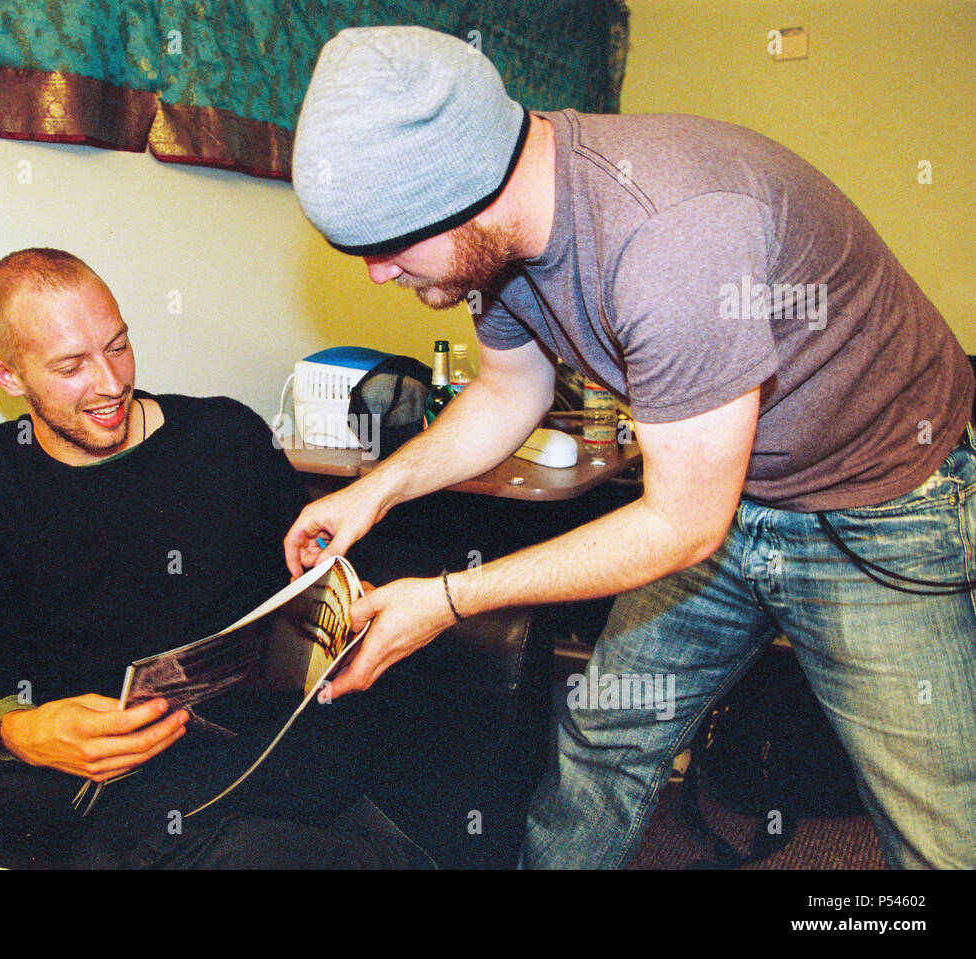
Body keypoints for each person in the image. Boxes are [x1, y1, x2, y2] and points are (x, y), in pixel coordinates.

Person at [285, 25, 976, 869]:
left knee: (939, 815)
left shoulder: (674, 239)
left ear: (458, 193)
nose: (377, 275)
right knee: (603, 736)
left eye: (386, 244)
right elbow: (510, 394)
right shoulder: (499, 239)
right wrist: (376, 491)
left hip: (881, 493)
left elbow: (683, 525)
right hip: (719, 491)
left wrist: (448, 599)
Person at [0, 247, 433, 869]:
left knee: (144, 835)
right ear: (10, 377)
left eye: (118, 346)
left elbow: (306, 585)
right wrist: (23, 731)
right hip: (87, 756)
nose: (109, 383)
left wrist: (336, 597)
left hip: (235, 733)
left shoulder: (225, 437)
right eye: (71, 366)